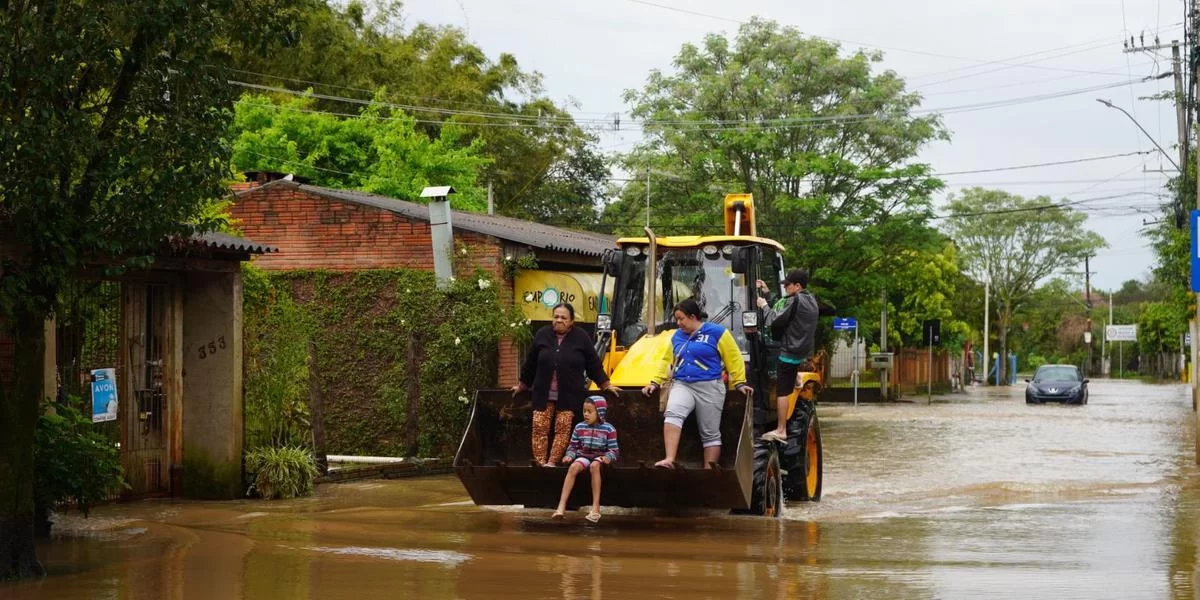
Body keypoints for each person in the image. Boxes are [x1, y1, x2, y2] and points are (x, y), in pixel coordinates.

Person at [641, 298, 753, 469]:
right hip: (683, 384)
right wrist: (655, 382)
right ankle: (669, 459)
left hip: (710, 386)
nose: (678, 323)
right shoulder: (676, 336)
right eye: (676, 319)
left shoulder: (717, 332)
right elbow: (666, 361)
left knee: (710, 433)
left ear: (693, 317)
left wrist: (739, 383)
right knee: (672, 414)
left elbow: (734, 358)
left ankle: (709, 471)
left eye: (681, 319)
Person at [514, 302, 619, 467]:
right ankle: (540, 463)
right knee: (539, 428)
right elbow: (531, 363)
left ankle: (552, 462)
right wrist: (522, 385)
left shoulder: (581, 337)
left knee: (562, 430)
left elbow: (593, 364)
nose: (559, 320)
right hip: (543, 393)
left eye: (563, 317)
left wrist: (605, 384)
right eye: (556, 317)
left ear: (571, 321)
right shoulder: (542, 335)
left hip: (569, 394)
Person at [757, 269, 818, 443]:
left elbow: (772, 320)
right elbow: (784, 308)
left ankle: (781, 429)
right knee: (786, 369)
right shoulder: (811, 299)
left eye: (788, 285)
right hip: (801, 351)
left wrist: (763, 305)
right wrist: (768, 292)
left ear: (797, 286)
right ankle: (796, 377)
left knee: (782, 392)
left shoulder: (794, 300)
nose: (786, 288)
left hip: (789, 352)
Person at [552, 396, 619, 523]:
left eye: (590, 411)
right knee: (573, 467)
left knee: (594, 466)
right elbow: (573, 446)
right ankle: (561, 507)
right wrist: (569, 456)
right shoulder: (579, 427)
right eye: (584, 411)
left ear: (599, 412)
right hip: (584, 456)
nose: (586, 414)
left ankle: (595, 508)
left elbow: (614, 451)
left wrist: (607, 457)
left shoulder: (609, 429)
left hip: (599, 457)